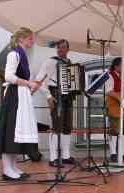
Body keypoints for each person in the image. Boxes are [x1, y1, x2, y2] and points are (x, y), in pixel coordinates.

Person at [0, 27, 40, 180]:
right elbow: (8, 76)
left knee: (17, 131)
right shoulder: (14, 54)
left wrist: (31, 85)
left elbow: (20, 79)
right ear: (21, 39)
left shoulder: (22, 54)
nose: (32, 41)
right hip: (14, 96)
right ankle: (7, 169)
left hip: (21, 95)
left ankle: (12, 166)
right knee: (11, 130)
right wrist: (28, 83)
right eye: (30, 38)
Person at [37, 39, 76, 167]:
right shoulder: (50, 62)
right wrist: (48, 96)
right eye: (58, 47)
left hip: (68, 96)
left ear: (68, 49)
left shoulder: (70, 63)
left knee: (67, 127)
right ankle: (53, 158)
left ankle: (66, 156)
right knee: (56, 126)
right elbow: (39, 80)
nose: (60, 49)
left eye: (63, 47)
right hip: (55, 94)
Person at [105, 57, 124, 162]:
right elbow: (109, 91)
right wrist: (120, 98)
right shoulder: (109, 75)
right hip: (115, 106)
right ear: (116, 66)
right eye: (123, 65)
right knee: (114, 130)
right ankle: (113, 153)